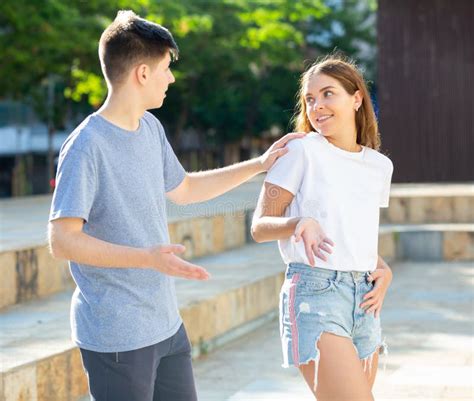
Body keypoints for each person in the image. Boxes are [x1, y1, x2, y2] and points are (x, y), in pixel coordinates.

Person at [48, 10, 303, 401]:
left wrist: (259, 165)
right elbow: (62, 241)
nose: (171, 78)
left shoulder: (150, 128)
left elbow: (184, 188)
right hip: (117, 334)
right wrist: (148, 257)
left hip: (165, 324)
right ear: (142, 74)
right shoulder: (86, 146)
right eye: (166, 68)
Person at [251, 55, 394, 401]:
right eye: (310, 99)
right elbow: (259, 226)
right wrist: (299, 222)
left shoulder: (379, 165)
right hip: (315, 293)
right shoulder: (301, 151)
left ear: (357, 98)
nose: (317, 106)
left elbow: (350, 230)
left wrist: (382, 268)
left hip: (364, 300)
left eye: (328, 94)